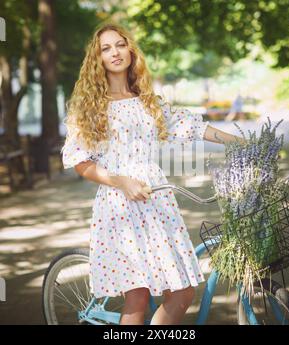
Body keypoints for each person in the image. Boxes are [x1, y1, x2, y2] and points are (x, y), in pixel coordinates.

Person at [61, 22, 245, 325]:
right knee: (137, 297)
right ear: (98, 59)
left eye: (120, 44)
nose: (115, 52)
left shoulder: (148, 100)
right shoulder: (90, 107)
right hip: (120, 203)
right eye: (106, 48)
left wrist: (238, 141)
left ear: (130, 49)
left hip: (157, 200)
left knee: (183, 292)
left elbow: (192, 127)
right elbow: (80, 162)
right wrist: (120, 180)